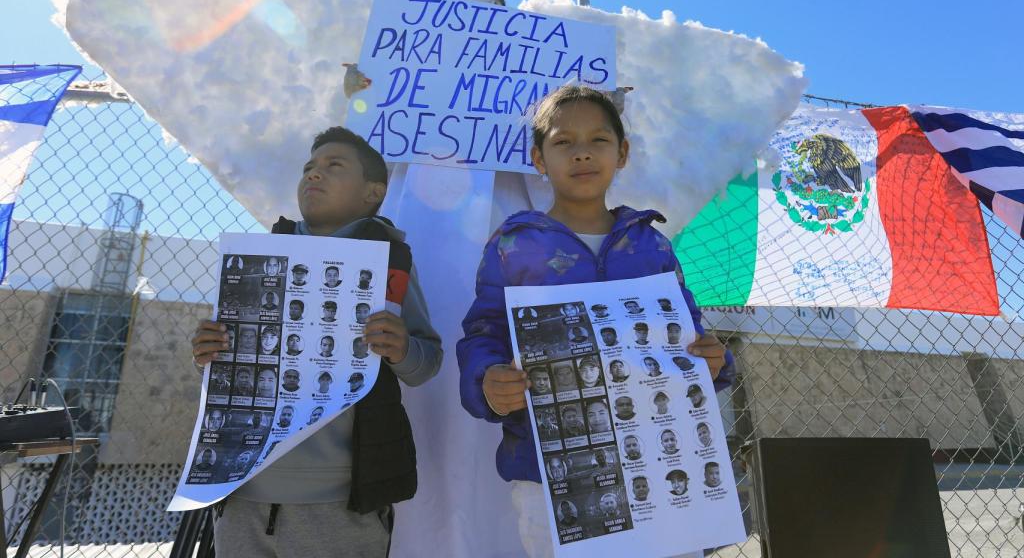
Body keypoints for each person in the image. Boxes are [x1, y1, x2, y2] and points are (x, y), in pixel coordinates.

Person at [456, 85, 733, 558]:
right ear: (539, 160)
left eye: (598, 140)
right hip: (554, 476)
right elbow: (484, 332)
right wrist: (487, 380)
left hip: (661, 467)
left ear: (622, 153)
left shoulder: (652, 245)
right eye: (563, 142)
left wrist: (712, 360)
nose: (581, 153)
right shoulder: (514, 245)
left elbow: (688, 331)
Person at [190, 126, 444, 557]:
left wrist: (402, 350)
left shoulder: (392, 263)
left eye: (334, 166)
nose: (314, 174)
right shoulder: (260, 259)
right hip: (242, 489)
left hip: (341, 502)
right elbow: (225, 371)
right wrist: (207, 353)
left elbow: (427, 361)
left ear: (373, 192)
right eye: (309, 167)